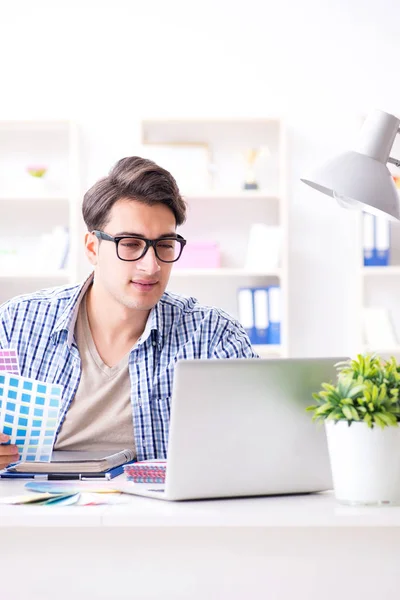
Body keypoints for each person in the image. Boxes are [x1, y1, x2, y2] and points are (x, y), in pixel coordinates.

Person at [0, 156, 258, 469]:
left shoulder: (213, 336)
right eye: (131, 244)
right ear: (93, 248)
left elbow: (257, 444)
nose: (152, 266)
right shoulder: (17, 323)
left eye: (165, 244)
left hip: (160, 515)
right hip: (39, 507)